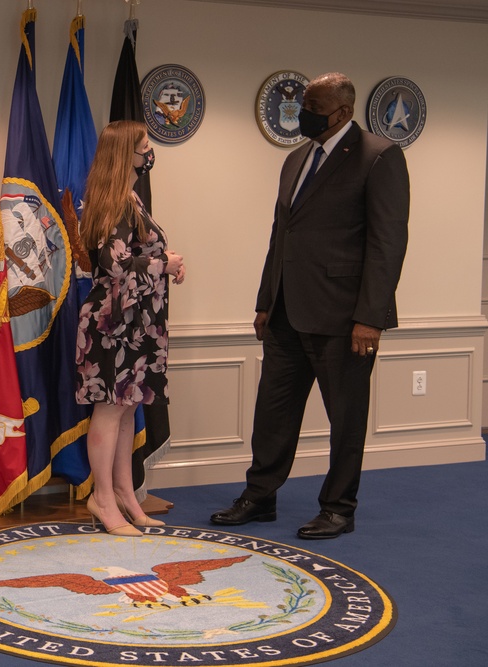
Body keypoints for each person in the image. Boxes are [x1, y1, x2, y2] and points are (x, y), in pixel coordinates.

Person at [211, 72, 409, 539]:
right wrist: (265, 301)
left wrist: (370, 318)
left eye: (313, 103)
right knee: (272, 411)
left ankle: (338, 507)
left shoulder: (378, 156)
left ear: (341, 112)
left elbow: (387, 244)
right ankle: (259, 496)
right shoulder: (297, 158)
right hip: (285, 312)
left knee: (346, 417)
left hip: (345, 319)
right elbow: (282, 235)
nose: (303, 110)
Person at [75, 120, 185, 536]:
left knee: (125, 409)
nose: (149, 151)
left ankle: (124, 493)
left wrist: (163, 258)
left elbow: (134, 252)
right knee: (109, 409)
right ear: (127, 153)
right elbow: (114, 265)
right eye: (144, 145)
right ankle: (102, 498)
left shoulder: (129, 198)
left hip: (135, 322)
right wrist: (165, 264)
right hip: (113, 323)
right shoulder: (113, 201)